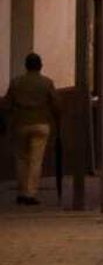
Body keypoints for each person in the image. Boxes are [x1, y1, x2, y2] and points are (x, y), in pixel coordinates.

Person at [3, 54, 59, 205]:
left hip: (20, 124)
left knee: (21, 159)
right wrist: (56, 119)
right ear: (40, 65)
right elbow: (55, 103)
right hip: (41, 124)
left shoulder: (16, 82)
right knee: (36, 160)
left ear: (26, 66)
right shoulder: (47, 82)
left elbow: (7, 104)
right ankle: (30, 193)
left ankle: (22, 192)